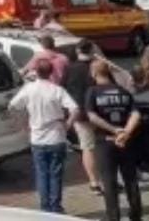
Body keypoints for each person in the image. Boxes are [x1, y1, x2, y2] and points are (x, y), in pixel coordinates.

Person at [8, 58, 79, 213]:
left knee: (41, 174)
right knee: (56, 174)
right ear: (51, 72)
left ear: (36, 72)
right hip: (56, 136)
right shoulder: (57, 90)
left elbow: (12, 106)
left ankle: (45, 207)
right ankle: (56, 207)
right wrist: (68, 124)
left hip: (37, 138)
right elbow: (75, 109)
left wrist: (22, 124)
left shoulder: (29, 89)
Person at [85, 59, 143, 221]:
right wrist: (126, 132)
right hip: (126, 142)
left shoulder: (93, 91)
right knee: (130, 179)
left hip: (105, 142)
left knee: (109, 182)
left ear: (94, 73)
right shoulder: (123, 91)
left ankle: (113, 217)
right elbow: (135, 114)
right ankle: (136, 215)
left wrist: (113, 130)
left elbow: (92, 116)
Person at [61, 40, 102, 194]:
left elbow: (62, 89)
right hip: (100, 113)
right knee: (102, 147)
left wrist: (68, 110)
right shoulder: (98, 66)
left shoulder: (70, 68)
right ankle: (108, 178)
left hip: (80, 115)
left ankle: (94, 182)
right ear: (92, 50)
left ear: (78, 51)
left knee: (88, 148)